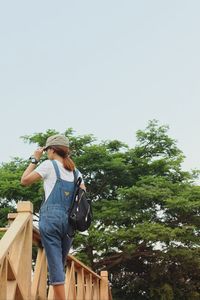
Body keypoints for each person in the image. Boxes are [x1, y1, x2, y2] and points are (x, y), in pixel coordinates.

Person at [21, 134, 85, 300]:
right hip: (70, 222)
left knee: (56, 267)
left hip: (51, 219)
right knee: (59, 265)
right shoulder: (76, 172)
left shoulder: (49, 165)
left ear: (51, 150)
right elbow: (83, 195)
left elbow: (24, 180)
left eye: (47, 149)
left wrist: (34, 159)